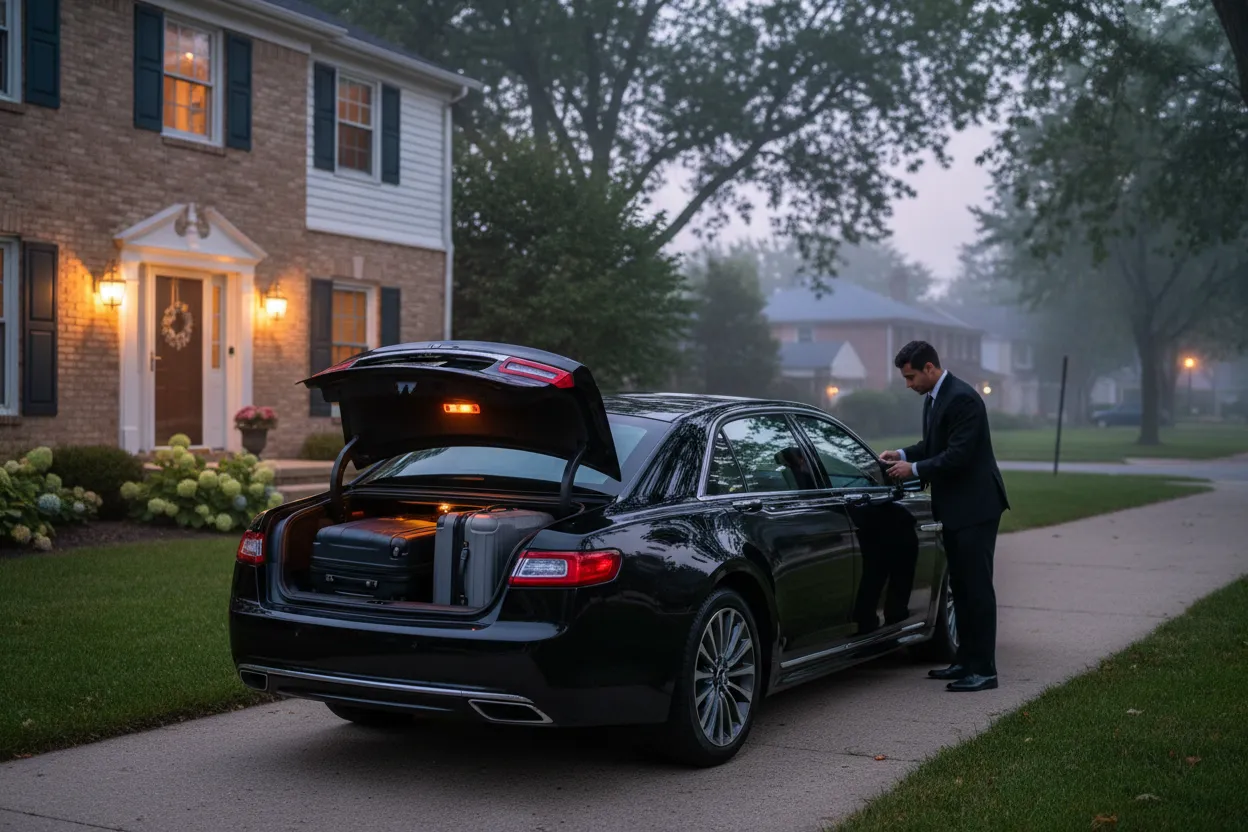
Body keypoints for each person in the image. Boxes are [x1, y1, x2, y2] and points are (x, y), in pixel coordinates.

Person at [879, 340, 1009, 692]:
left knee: (977, 589)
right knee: (961, 588)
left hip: (976, 508)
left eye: (911, 377)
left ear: (930, 369)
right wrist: (903, 454)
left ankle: (984, 670)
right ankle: (965, 662)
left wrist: (914, 468)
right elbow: (935, 446)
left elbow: (958, 456)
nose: (908, 385)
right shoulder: (936, 398)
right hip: (955, 509)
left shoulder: (962, 398)